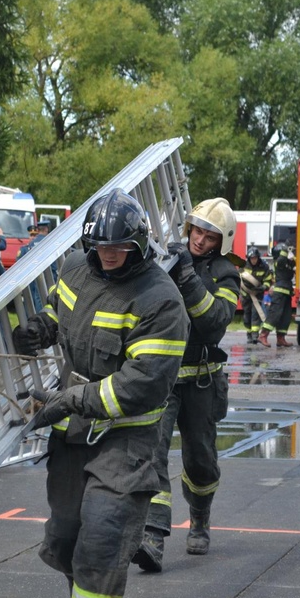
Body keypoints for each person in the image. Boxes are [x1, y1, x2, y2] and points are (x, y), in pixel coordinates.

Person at [11, 191, 188, 598]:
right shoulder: (75, 268)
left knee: (104, 531)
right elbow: (58, 313)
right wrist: (36, 330)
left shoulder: (160, 301)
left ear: (140, 245)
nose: (109, 256)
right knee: (66, 532)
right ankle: (86, 596)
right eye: (100, 247)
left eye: (119, 248)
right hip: (72, 433)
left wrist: (74, 398)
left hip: (126, 435)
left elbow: (143, 385)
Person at [132, 198, 240, 574]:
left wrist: (190, 276)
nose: (199, 240)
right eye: (196, 231)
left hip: (202, 381)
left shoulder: (227, 274)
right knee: (152, 454)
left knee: (201, 460)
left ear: (221, 241)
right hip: (162, 379)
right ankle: (153, 536)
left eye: (209, 236)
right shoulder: (166, 262)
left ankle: (200, 518)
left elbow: (214, 322)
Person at [257, 243, 295, 348]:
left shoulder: (288, 262)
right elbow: (282, 259)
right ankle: (263, 335)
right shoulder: (278, 262)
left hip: (287, 292)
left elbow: (294, 264)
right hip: (279, 293)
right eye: (284, 252)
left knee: (285, 317)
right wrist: (285, 249)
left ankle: (281, 339)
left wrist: (294, 253)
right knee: (275, 314)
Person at [240, 247, 274, 345]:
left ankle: (255, 336)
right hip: (245, 294)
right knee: (247, 316)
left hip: (257, 295)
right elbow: (239, 278)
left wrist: (263, 288)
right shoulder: (244, 266)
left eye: (255, 258)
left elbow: (268, 281)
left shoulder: (264, 267)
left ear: (258, 258)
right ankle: (249, 334)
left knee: (256, 315)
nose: (253, 260)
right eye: (251, 258)